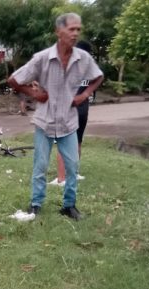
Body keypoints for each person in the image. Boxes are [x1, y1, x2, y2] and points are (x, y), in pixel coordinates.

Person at [8, 13, 102, 220]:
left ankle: (69, 206)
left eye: (78, 29)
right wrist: (34, 94)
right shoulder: (42, 58)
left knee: (72, 166)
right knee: (40, 165)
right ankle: (35, 204)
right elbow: (13, 79)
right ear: (58, 32)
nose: (76, 33)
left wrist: (85, 94)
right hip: (45, 121)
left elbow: (98, 76)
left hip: (69, 122)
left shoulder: (83, 58)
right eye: (71, 29)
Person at [51, 41, 95, 187]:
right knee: (77, 142)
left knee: (63, 144)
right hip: (83, 109)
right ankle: (74, 174)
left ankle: (62, 178)